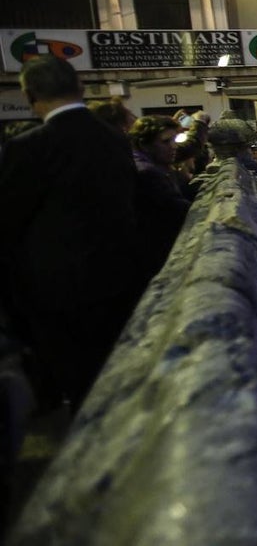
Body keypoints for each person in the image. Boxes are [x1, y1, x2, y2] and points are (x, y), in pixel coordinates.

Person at [0, 56, 141, 409]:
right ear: (80, 87)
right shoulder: (113, 139)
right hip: (122, 278)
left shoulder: (28, 147)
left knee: (82, 388)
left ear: (31, 96)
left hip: (58, 291)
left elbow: (9, 225)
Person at [129, 115, 191, 283]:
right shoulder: (147, 173)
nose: (174, 147)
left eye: (174, 140)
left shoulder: (151, 166)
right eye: (165, 142)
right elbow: (180, 210)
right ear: (144, 144)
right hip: (154, 260)